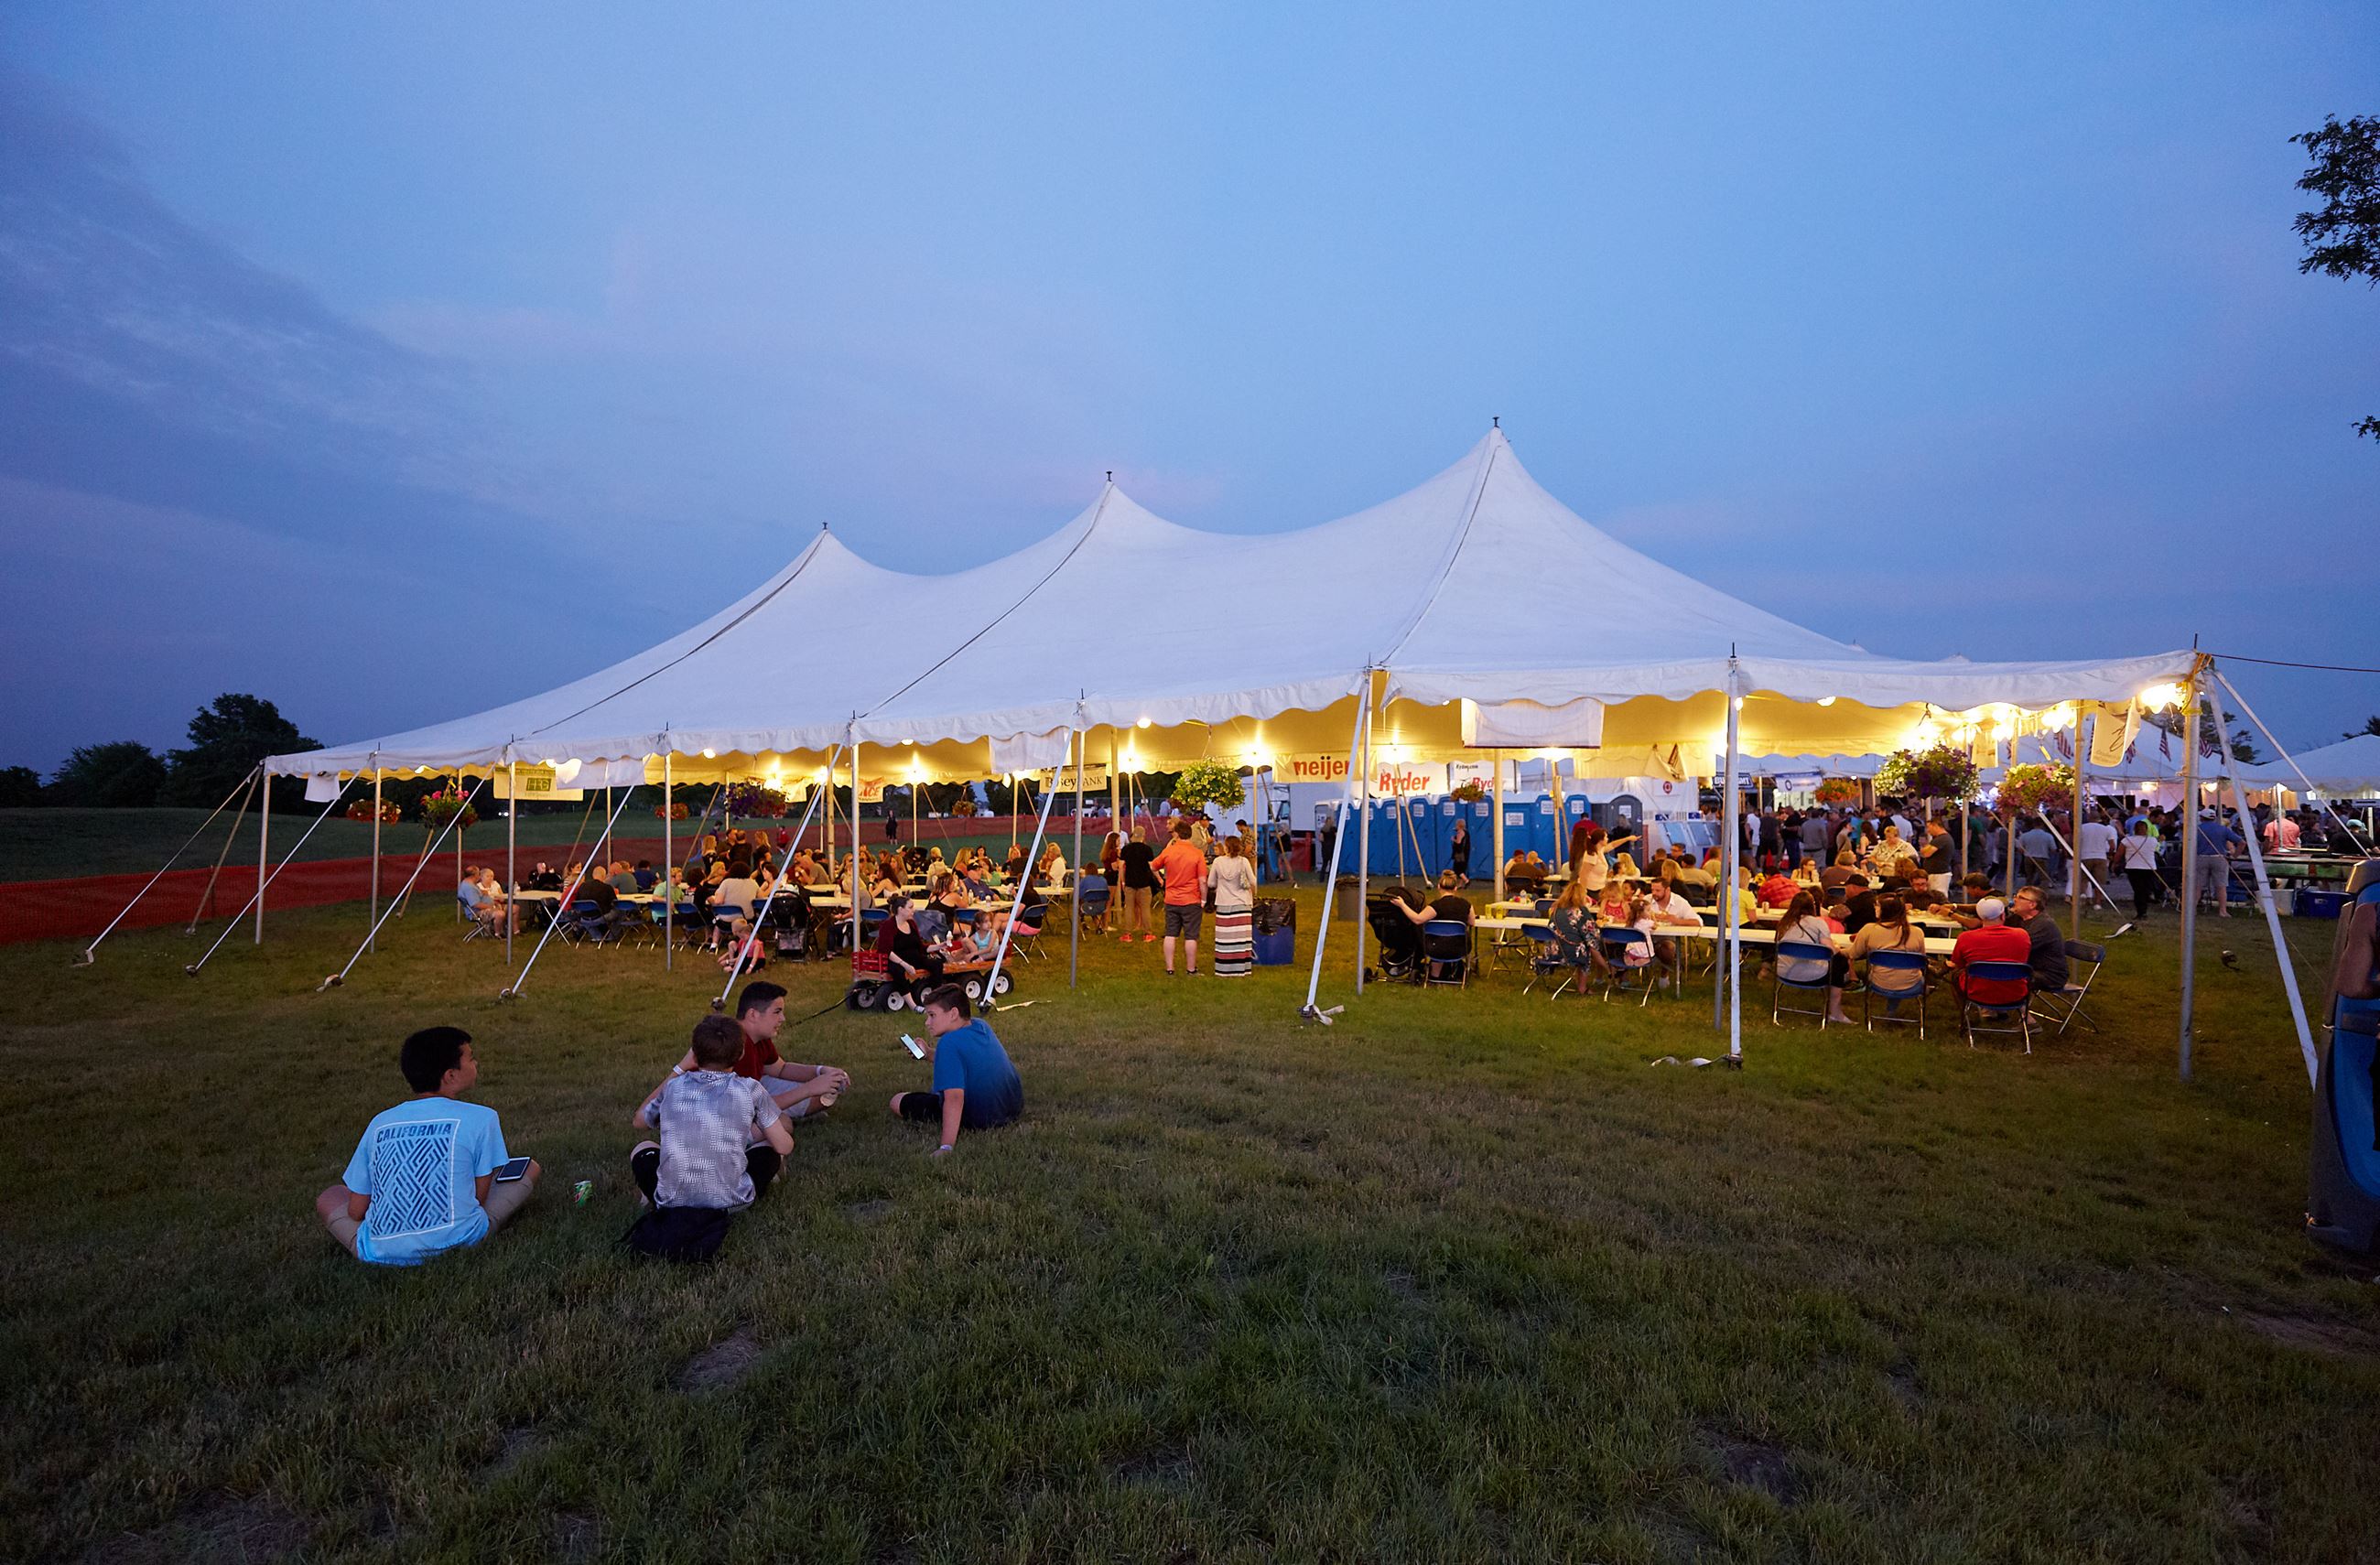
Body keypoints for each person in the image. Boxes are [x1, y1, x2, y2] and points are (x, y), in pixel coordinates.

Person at [317, 1026, 537, 1264]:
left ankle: (391, 1238)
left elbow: (356, 1211)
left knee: (331, 1195)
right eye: (471, 1058)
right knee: (529, 1168)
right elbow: (479, 1198)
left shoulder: (380, 1123)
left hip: (379, 1253)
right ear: (450, 1075)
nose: (476, 1063)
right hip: (461, 1240)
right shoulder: (483, 1118)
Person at [631, 1013, 795, 1214]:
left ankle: (654, 1198)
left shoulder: (673, 1087)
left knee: (644, 1147)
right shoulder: (751, 1089)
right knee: (771, 1148)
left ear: (694, 1054)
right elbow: (783, 1146)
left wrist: (680, 1067)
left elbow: (640, 1122)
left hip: (671, 1202)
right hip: (732, 1202)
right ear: (741, 1053)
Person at [644, 980, 849, 1120]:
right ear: (753, 1014)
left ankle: (786, 1115)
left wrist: (822, 1071)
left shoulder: (760, 1038)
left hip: (751, 1092)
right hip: (720, 1110)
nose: (783, 1019)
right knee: (808, 1105)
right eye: (777, 1012)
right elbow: (745, 1106)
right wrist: (809, 1089)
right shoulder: (732, 1047)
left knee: (825, 1092)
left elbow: (780, 1068)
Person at [890, 985, 1023, 1154]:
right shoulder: (980, 1026)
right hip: (1010, 1107)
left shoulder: (949, 1043)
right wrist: (928, 1053)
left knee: (897, 1100)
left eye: (932, 1016)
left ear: (953, 1014)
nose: (927, 1023)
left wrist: (946, 1146)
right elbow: (967, 1060)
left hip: (979, 1117)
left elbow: (954, 1098)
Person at [1773, 890, 1851, 1022]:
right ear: (1813, 906)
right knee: (1840, 961)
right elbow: (1831, 950)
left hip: (1784, 971)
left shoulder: (1783, 923)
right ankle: (1835, 1011)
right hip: (1815, 975)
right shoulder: (1818, 923)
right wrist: (1837, 947)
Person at [1951, 897, 2033, 1008]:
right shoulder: (2022, 935)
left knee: (1956, 974)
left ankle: (1965, 1016)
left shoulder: (1965, 938)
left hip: (1977, 993)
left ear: (1980, 917)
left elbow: (1958, 964)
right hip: (2016, 993)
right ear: (2003, 915)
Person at [1849, 894, 1928, 1007]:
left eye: (1877, 906)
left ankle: (1889, 1009)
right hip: (1912, 984)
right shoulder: (1917, 932)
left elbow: (1853, 954)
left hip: (1879, 983)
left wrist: (1837, 949)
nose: (1874, 908)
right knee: (1901, 968)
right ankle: (1892, 1009)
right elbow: (1922, 959)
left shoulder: (1869, 930)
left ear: (1884, 910)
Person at [1152, 818, 1208, 975]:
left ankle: (1170, 969)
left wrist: (1161, 879)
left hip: (1171, 899)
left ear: (1177, 835)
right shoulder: (1197, 853)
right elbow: (1202, 880)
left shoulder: (1169, 851)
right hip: (1191, 899)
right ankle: (1191, 969)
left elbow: (1153, 866)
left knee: (1170, 934)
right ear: (1189, 835)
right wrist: (1203, 899)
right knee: (1191, 936)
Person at [1208, 835, 1260, 977]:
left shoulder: (1218, 862)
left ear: (1226, 847)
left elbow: (1211, 883)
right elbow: (1254, 881)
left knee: (1225, 940)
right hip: (1242, 904)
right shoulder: (1244, 862)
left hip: (1224, 903)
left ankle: (1224, 969)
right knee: (1241, 939)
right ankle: (1241, 968)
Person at [2007, 886, 2071, 996]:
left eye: (2020, 898)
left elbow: (2019, 948)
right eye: (2015, 896)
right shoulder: (2017, 918)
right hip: (2029, 967)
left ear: (2032, 905)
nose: (2015, 900)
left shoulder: (2043, 925)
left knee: (2001, 973)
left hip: (2049, 975)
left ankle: (2004, 1010)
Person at [2194, 807, 2243, 917]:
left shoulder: (2197, 829)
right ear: (2214, 818)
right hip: (2220, 858)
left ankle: (2192, 909)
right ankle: (2222, 911)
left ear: (2201, 818)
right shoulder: (2223, 829)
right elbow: (2241, 842)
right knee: (2221, 886)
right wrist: (2235, 856)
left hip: (2201, 857)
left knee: (2198, 885)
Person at [2115, 820, 2161, 919]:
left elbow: (2119, 854)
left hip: (2133, 867)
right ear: (2147, 829)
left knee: (2138, 890)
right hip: (2149, 867)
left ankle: (2141, 911)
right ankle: (2145, 905)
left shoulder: (2127, 840)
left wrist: (2115, 863)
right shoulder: (2152, 840)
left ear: (2135, 829)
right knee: (2145, 889)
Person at [1119, 826, 1158, 944]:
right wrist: (1159, 879)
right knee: (1145, 909)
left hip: (1130, 883)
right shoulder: (1147, 849)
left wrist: (1123, 881)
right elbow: (1152, 867)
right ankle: (1147, 934)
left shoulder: (1126, 849)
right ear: (1143, 836)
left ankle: (1127, 934)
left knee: (1129, 908)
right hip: (1144, 883)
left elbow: (1121, 867)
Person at [2075, 811, 2116, 910]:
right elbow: (2112, 845)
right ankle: (2097, 903)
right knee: (2099, 882)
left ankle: (2083, 893)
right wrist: (2109, 854)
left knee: (2083, 879)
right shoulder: (2106, 829)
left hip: (2085, 856)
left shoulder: (2082, 828)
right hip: (2101, 856)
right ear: (2099, 819)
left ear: (2089, 817)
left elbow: (2076, 842)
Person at [457, 867, 514, 935]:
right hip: (477, 912)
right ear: (474, 875)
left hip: (486, 907)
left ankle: (513, 930)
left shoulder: (469, 884)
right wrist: (491, 907)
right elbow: (476, 904)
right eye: (478, 874)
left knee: (514, 908)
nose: (479, 876)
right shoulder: (469, 888)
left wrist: (482, 892)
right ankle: (498, 934)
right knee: (500, 914)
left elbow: (476, 895)